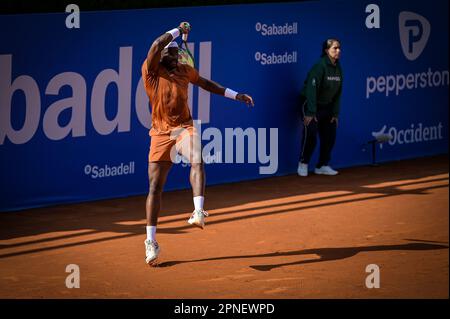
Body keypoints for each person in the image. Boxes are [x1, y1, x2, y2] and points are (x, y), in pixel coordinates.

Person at [142, 22, 254, 266]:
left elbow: (207, 84)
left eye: (177, 52)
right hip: (160, 133)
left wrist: (237, 95)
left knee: (197, 157)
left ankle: (198, 211)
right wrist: (178, 30)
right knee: (154, 188)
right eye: (172, 52)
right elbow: (155, 44)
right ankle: (151, 241)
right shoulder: (151, 71)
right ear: (163, 55)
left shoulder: (185, 71)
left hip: (183, 127)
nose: (177, 55)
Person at [297, 38, 343, 177]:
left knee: (330, 135)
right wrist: (311, 111)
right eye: (335, 48)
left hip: (327, 107)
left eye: (339, 48)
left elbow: (338, 92)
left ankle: (322, 165)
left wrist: (335, 113)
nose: (338, 51)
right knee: (311, 134)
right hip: (310, 104)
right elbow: (311, 89)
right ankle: (303, 163)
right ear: (326, 50)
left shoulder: (338, 68)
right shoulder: (320, 66)